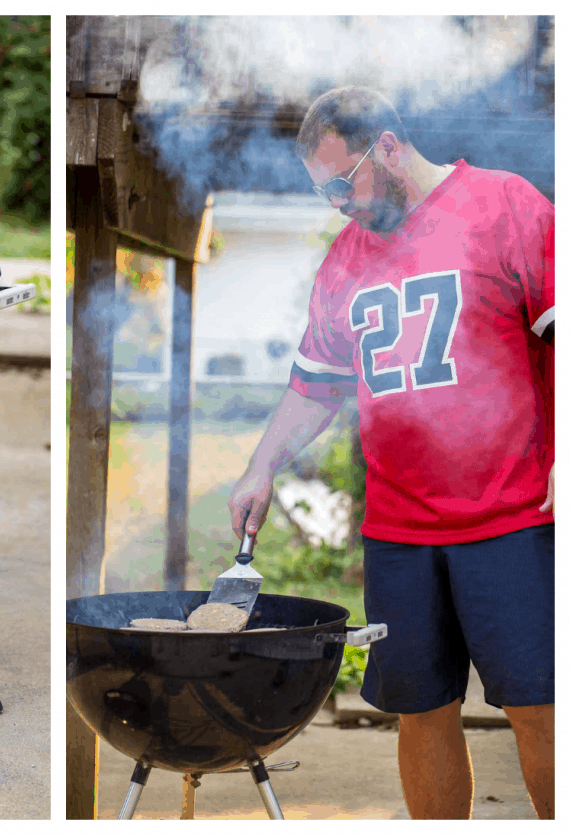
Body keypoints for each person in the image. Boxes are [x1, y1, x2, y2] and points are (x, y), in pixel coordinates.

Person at [227, 86, 554, 819]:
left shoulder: (507, 206)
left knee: (541, 706)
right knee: (421, 711)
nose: (337, 204)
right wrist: (261, 465)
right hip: (400, 535)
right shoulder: (346, 259)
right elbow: (316, 385)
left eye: (344, 183)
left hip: (514, 520)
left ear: (389, 146)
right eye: (323, 192)